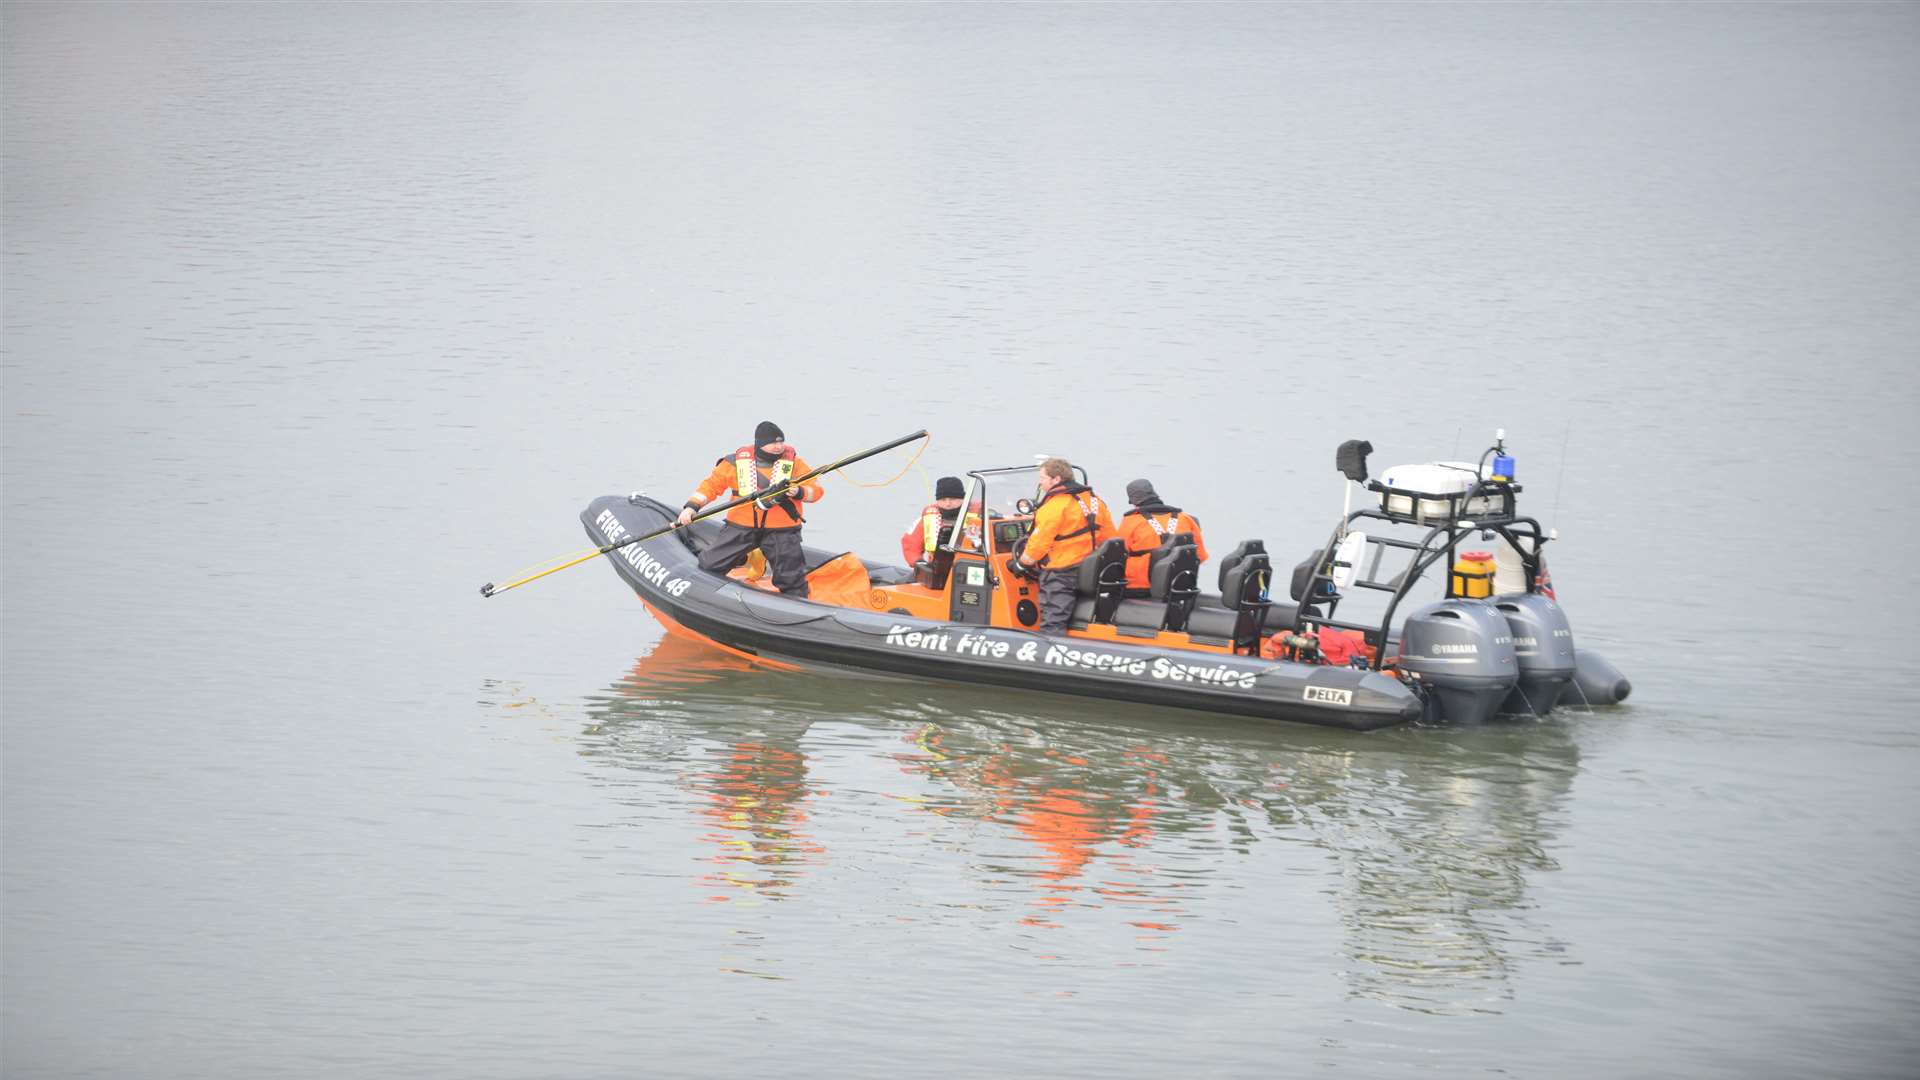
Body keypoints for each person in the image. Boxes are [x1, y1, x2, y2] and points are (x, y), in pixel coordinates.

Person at [676, 420, 823, 597]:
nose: (778, 446)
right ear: (760, 444)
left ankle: (799, 608)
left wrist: (799, 491)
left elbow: (816, 491)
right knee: (710, 565)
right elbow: (710, 487)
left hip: (782, 531)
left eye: (781, 442)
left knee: (792, 580)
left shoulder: (796, 464)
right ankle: (702, 592)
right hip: (741, 527)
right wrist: (692, 507)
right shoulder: (734, 463)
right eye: (773, 442)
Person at [1007, 457, 1115, 635]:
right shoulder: (1095, 501)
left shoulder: (1055, 507)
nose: (1040, 483)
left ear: (1056, 479)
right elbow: (1110, 536)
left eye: (1042, 478)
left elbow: (1037, 545)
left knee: (1053, 620)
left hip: (1061, 571)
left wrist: (1020, 564)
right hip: (1091, 567)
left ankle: (1048, 653)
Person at [1118, 478, 1209, 593]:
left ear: (1135, 502)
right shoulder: (1186, 519)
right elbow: (1200, 556)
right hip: (1179, 587)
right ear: (1155, 495)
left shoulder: (1130, 521)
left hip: (1140, 588)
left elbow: (1118, 556)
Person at [900, 475, 983, 565]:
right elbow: (911, 544)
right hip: (939, 568)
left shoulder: (980, 515)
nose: (948, 504)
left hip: (973, 565)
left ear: (963, 499)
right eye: (943, 499)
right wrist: (918, 563)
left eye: (953, 499)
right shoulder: (928, 517)